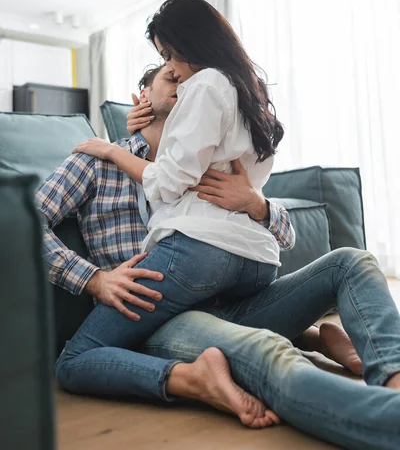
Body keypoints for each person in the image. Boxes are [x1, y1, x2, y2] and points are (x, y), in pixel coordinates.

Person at [37, 63, 400, 448]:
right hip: (160, 315)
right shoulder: (97, 161)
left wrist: (258, 205)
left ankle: (393, 375)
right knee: (264, 351)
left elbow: (287, 235)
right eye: (172, 78)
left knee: (352, 261)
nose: (188, 85)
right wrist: (95, 279)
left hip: (238, 300)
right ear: (142, 97)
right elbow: (21, 225)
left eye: (192, 80)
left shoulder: (212, 158)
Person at [72, 0, 288, 349]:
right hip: (257, 261)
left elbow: (168, 182)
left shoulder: (206, 87)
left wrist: (257, 204)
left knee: (79, 356)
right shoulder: (245, 95)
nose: (176, 74)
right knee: (212, 334)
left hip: (201, 255)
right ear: (141, 98)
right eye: (164, 64)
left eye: (172, 57)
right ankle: (308, 336)